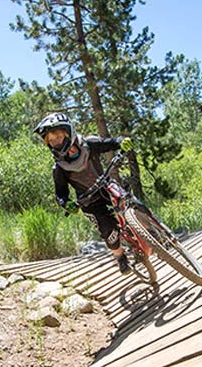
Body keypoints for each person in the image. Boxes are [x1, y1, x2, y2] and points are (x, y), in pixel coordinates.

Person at [34, 112, 135, 274]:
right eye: (51, 141)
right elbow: (60, 193)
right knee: (109, 232)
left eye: (58, 137)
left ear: (69, 133)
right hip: (89, 202)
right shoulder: (59, 168)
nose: (55, 143)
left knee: (131, 203)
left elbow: (107, 143)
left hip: (107, 187)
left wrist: (121, 142)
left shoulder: (88, 144)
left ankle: (150, 230)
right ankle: (121, 257)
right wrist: (66, 204)